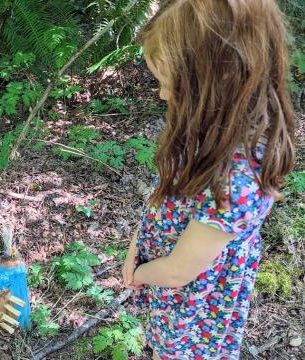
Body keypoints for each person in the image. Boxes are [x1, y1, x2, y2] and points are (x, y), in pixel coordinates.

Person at [121, 1, 295, 359]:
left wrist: (139, 273)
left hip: (197, 308)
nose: (162, 95)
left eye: (170, 85)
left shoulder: (237, 182)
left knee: (177, 352)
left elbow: (176, 273)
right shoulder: (212, 134)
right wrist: (135, 247)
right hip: (171, 286)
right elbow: (163, 195)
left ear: (214, 84)